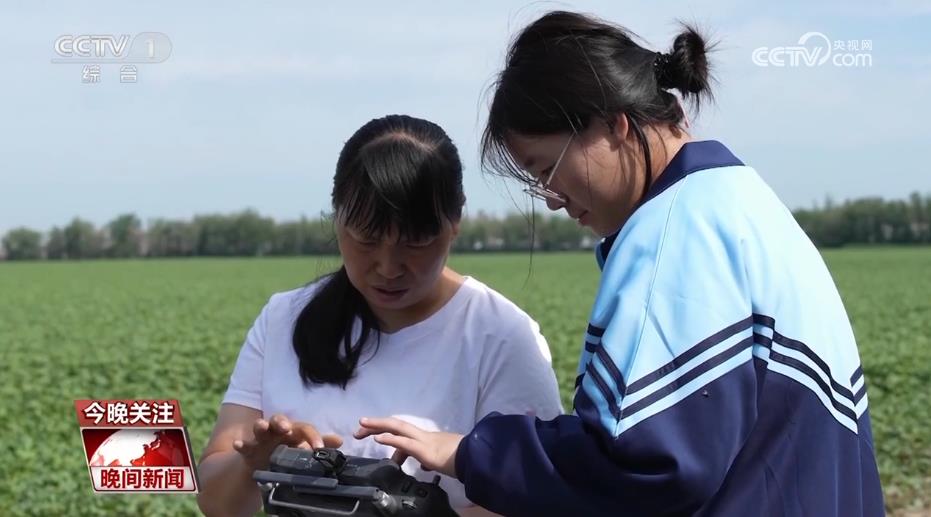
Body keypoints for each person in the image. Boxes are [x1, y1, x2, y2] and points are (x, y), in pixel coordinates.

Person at [354, 12, 884, 517]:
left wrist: (470, 453)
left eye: (546, 169)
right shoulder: (740, 200)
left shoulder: (674, 231)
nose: (552, 199)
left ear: (614, 125)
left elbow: (647, 461)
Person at [196, 114, 564, 517]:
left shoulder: (502, 337)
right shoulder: (283, 320)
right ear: (337, 217)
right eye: (366, 240)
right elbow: (215, 502)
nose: (388, 267)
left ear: (455, 221)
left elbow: (537, 501)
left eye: (416, 242)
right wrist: (255, 462)